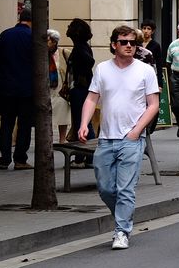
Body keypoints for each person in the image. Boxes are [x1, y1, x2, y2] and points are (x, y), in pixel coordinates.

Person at [78, 25, 160, 250]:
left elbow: (153, 105)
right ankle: (124, 217)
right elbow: (92, 99)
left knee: (125, 189)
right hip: (106, 138)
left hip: (131, 138)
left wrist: (136, 131)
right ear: (114, 44)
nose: (129, 46)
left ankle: (121, 231)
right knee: (106, 188)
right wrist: (84, 124)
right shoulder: (102, 69)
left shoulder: (145, 71)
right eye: (124, 42)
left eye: (133, 43)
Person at [0, 8, 34, 170]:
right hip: (26, 90)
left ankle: (4, 159)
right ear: (31, 21)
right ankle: (20, 160)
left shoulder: (5, 35)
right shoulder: (32, 38)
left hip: (6, 88)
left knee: (6, 124)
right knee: (24, 125)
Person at [66, 18, 95, 164]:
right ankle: (83, 156)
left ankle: (86, 156)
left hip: (80, 89)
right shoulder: (81, 46)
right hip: (81, 88)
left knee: (82, 122)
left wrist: (80, 76)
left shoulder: (80, 48)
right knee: (81, 122)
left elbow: (89, 61)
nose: (68, 27)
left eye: (70, 26)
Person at [47, 28, 70, 143]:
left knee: (63, 116)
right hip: (48, 90)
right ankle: (48, 140)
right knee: (48, 117)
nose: (46, 43)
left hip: (61, 90)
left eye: (49, 41)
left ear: (55, 42)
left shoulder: (64, 52)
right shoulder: (41, 54)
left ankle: (62, 139)